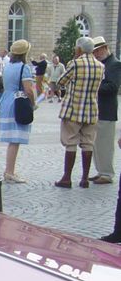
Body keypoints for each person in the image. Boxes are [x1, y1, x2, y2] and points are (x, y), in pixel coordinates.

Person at [55, 36, 103, 189]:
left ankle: (67, 177)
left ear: (79, 49)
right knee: (88, 143)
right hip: (91, 109)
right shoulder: (100, 66)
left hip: (74, 109)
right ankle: (84, 179)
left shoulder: (75, 64)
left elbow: (60, 81)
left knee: (70, 142)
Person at [0, 39, 37, 183]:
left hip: (6, 100)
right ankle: (10, 172)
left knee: (12, 139)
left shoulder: (8, 65)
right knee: (15, 139)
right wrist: (33, 104)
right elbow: (28, 89)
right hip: (17, 102)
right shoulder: (24, 67)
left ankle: (9, 170)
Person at [91, 36, 121, 184]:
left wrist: (94, 87)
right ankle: (100, 170)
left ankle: (107, 173)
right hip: (97, 108)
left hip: (107, 109)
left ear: (104, 49)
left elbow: (113, 87)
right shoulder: (101, 64)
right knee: (96, 143)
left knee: (105, 144)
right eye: (94, 51)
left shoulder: (114, 64)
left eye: (97, 51)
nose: (96, 54)